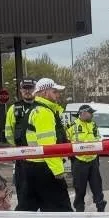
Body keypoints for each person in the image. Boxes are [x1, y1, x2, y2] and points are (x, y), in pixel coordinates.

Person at [18, 78, 72, 211]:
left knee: (27, 210)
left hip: (32, 165)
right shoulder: (44, 112)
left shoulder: (35, 109)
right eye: (55, 91)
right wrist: (58, 171)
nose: (58, 95)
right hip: (45, 168)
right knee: (62, 211)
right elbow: (48, 147)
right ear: (44, 92)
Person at [4, 77, 38, 208]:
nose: (27, 91)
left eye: (30, 88)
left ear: (35, 89)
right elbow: (9, 132)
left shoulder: (41, 107)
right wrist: (17, 150)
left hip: (42, 157)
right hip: (22, 158)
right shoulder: (14, 109)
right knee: (24, 195)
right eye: (25, 89)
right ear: (20, 90)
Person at [68, 103, 107, 212]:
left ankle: (100, 207)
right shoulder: (72, 126)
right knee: (80, 188)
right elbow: (65, 141)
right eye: (91, 113)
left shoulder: (93, 124)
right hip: (79, 161)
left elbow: (98, 138)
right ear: (83, 113)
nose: (92, 115)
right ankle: (79, 209)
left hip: (93, 160)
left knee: (97, 187)